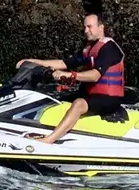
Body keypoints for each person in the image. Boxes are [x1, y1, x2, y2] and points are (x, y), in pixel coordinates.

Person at [16, 12, 124, 144]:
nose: (86, 31)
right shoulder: (89, 49)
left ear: (101, 27)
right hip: (92, 95)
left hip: (110, 99)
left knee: (78, 103)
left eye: (89, 27)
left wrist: (71, 75)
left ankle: (49, 140)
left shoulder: (109, 48)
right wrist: (32, 61)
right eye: (84, 27)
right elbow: (63, 64)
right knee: (54, 99)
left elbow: (95, 76)